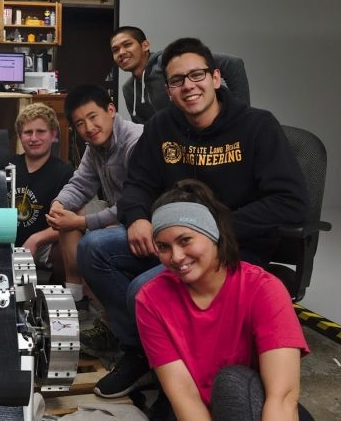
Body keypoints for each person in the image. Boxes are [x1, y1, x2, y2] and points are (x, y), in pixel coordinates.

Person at [79, 37, 308, 399]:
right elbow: (137, 184)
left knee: (143, 290)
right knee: (93, 247)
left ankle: (162, 359)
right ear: (168, 90)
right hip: (172, 241)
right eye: (176, 80)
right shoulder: (160, 128)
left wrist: (217, 230)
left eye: (196, 75)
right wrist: (137, 217)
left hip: (236, 246)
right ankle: (145, 352)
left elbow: (291, 202)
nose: (189, 86)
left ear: (216, 78)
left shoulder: (257, 126)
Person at [136, 179, 312, 421]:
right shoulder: (151, 299)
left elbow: (282, 398)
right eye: (163, 247)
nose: (176, 257)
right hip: (197, 411)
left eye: (185, 240)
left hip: (257, 409)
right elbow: (184, 396)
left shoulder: (264, 289)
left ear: (213, 234)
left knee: (232, 383)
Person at [45, 85, 142, 342]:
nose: (88, 127)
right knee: (67, 221)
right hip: (124, 220)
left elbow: (132, 204)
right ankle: (78, 306)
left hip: (147, 223)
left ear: (111, 110)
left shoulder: (135, 142)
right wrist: (59, 204)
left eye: (92, 117)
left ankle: (130, 334)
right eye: (79, 123)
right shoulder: (95, 146)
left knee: (93, 244)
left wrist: (83, 221)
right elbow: (81, 183)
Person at [109, 26, 250, 123]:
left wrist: (241, 116)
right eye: (115, 50)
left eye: (127, 45)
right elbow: (144, 129)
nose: (121, 52)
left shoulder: (170, 62)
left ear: (145, 45)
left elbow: (233, 64)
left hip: (210, 136)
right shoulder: (128, 89)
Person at [11, 103, 74, 279]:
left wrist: (36, 239)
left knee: (68, 245)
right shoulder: (8, 166)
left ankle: (66, 292)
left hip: (43, 246)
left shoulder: (64, 172)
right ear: (19, 136)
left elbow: (68, 223)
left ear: (53, 135)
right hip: (7, 241)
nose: (34, 138)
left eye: (41, 132)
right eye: (28, 132)